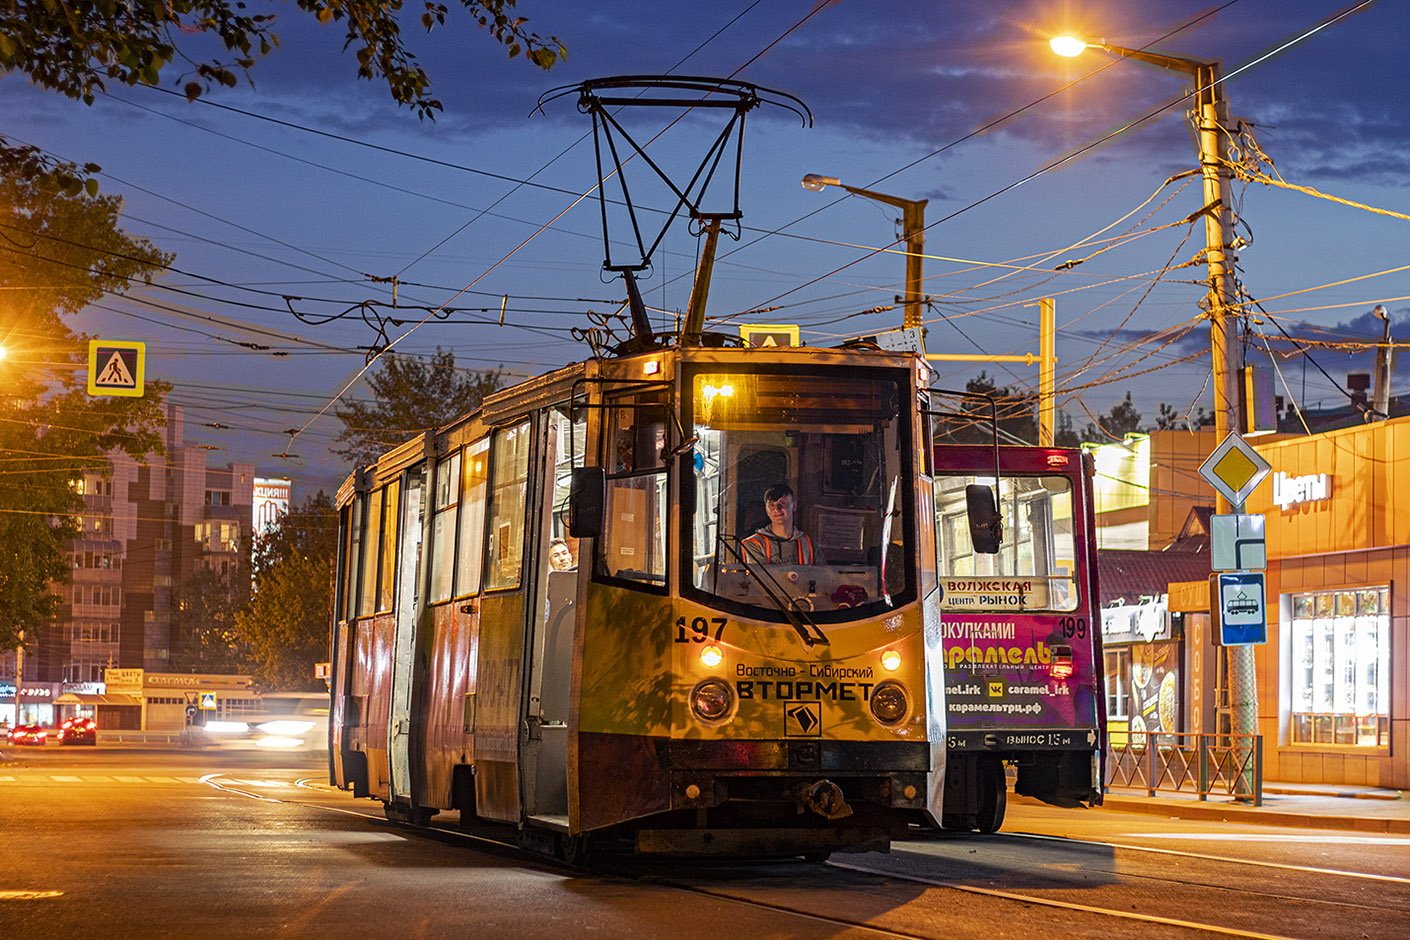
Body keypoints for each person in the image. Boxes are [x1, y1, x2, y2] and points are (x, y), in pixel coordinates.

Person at [742, 483, 824, 565]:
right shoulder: (754, 544)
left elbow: (823, 575)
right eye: (771, 505)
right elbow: (759, 576)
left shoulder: (809, 544)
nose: (777, 509)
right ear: (767, 510)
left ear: (794, 506)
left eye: (783, 503)